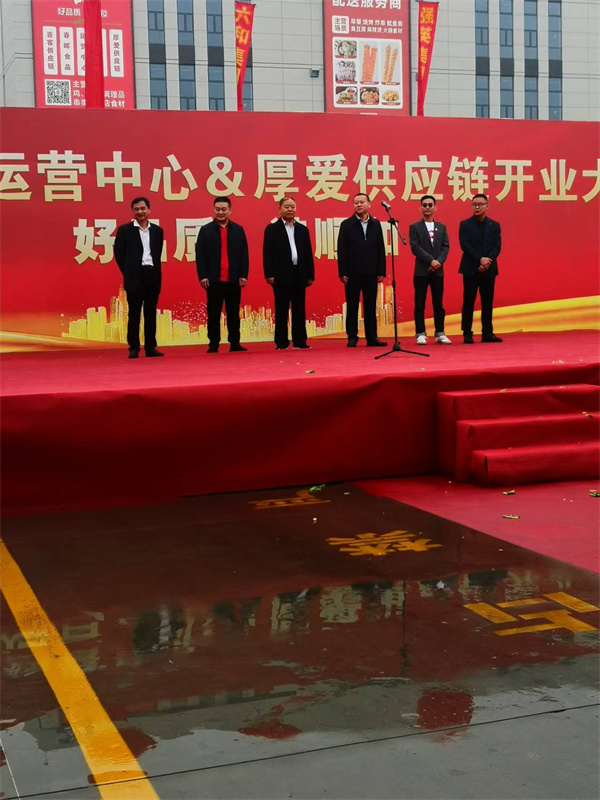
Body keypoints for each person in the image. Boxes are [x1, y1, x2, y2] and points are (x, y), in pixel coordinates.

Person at [195, 196, 249, 353]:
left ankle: (235, 343)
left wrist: (243, 275)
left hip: (233, 279)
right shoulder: (206, 230)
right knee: (213, 314)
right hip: (213, 280)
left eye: (224, 209)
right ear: (214, 210)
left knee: (233, 314)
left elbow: (244, 255)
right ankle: (213, 344)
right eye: (217, 209)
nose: (220, 212)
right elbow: (200, 256)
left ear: (230, 210)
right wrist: (203, 276)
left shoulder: (238, 230)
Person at [114, 196, 165, 359]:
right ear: (132, 211)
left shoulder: (157, 231)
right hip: (134, 276)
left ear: (149, 210)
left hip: (152, 275)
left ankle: (151, 347)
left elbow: (157, 253)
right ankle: (134, 347)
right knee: (134, 313)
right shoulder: (124, 230)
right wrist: (129, 271)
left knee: (150, 312)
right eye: (136, 209)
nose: (140, 211)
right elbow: (119, 254)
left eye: (143, 208)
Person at [263, 197, 315, 350]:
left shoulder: (302, 229)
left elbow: (308, 254)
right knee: (281, 309)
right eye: (287, 207)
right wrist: (269, 274)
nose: (290, 209)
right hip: (281, 275)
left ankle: (300, 341)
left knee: (299, 309)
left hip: (299, 273)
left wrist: (310, 275)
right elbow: (267, 254)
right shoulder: (272, 229)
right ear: (280, 209)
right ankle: (281, 342)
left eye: (292, 206)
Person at [337, 193, 387, 347]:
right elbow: (341, 250)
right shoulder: (346, 224)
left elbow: (380, 248)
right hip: (352, 273)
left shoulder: (376, 224)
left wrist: (381, 271)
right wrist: (343, 272)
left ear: (369, 204)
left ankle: (372, 337)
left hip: (371, 272)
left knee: (370, 306)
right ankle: (352, 336)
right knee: (352, 306)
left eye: (361, 202)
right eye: (356, 203)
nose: (358, 205)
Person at [459, 193, 503, 343]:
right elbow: (465, 245)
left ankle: (487, 333)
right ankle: (467, 333)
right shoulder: (465, 224)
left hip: (489, 268)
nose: (477, 207)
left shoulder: (494, 225)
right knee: (468, 301)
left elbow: (497, 246)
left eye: (480, 204)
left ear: (487, 206)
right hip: (470, 267)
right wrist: (480, 259)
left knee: (487, 301)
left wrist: (487, 261)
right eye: (474, 204)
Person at [409, 195, 451, 345]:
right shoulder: (415, 227)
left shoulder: (442, 227)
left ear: (435, 207)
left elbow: (445, 246)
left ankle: (440, 333)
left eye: (430, 205)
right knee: (420, 303)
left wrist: (438, 261)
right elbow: (415, 247)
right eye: (425, 205)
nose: (427, 207)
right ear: (420, 208)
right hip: (421, 271)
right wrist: (431, 260)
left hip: (438, 270)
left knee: (438, 303)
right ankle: (420, 333)